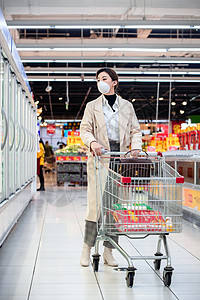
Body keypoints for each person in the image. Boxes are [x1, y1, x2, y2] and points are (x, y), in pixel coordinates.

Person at [80, 67, 142, 267]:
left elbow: (135, 131)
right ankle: (86, 250)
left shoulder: (127, 106)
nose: (100, 82)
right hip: (100, 159)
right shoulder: (92, 106)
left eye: (104, 78)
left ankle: (109, 251)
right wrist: (92, 143)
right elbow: (85, 129)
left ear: (114, 82)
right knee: (95, 207)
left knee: (116, 208)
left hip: (120, 160)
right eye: (98, 79)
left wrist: (136, 148)